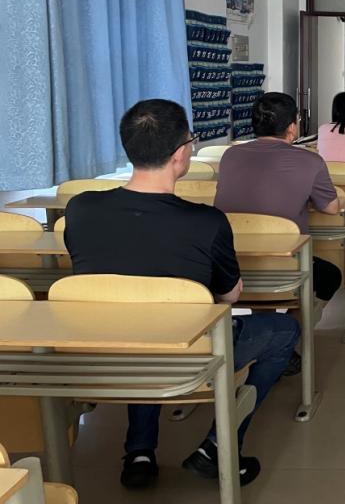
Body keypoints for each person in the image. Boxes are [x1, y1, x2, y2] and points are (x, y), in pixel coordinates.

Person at [64, 99, 300, 489]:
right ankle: (219, 445)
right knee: (283, 331)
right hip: (186, 356)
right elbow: (229, 297)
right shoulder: (206, 221)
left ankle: (139, 453)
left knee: (140, 328)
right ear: (180, 154)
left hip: (102, 351)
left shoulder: (80, 209)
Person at [215, 93, 343, 357]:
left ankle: (267, 332)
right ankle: (288, 335)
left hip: (229, 265)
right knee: (330, 276)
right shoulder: (310, 160)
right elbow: (331, 208)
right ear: (292, 127)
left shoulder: (230, 155)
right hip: (285, 265)